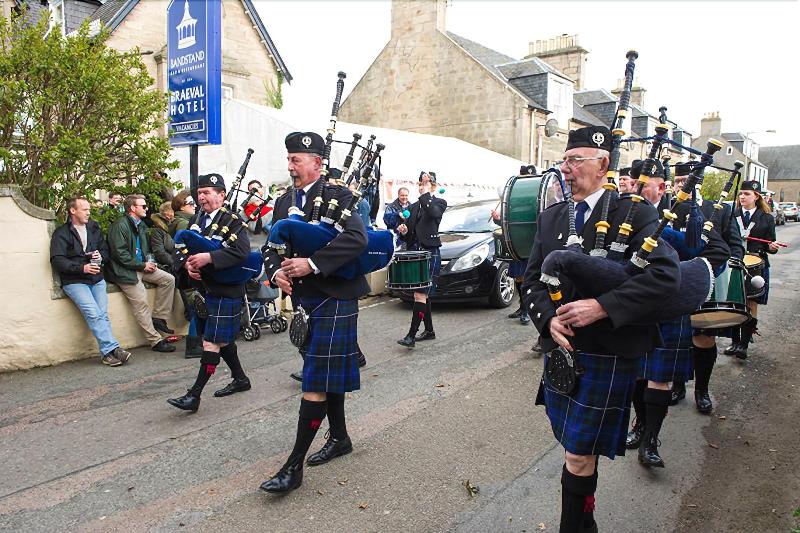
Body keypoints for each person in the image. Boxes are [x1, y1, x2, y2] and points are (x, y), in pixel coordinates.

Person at [522, 126, 680, 533]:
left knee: (578, 452)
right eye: (564, 161)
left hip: (608, 349)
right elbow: (532, 281)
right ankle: (583, 521)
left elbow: (664, 278)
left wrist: (601, 306)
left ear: (603, 164)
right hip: (564, 351)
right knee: (572, 446)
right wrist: (548, 318)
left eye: (575, 160)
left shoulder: (636, 212)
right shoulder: (551, 216)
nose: (566, 169)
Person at [259, 132, 369, 494]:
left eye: (297, 159)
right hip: (306, 303)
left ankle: (293, 469)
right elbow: (272, 245)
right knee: (324, 375)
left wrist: (312, 263)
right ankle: (340, 438)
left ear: (317, 163)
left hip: (335, 297)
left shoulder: (340, 196)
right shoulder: (283, 201)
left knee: (315, 381)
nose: (290, 166)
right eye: (289, 159)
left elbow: (357, 239)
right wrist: (275, 271)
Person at [625, 159, 729, 468]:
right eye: (634, 184)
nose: (636, 190)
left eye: (643, 185)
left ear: (661, 187)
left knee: (660, 378)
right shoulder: (623, 212)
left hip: (670, 304)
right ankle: (640, 424)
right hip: (633, 303)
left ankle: (650, 440)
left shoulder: (692, 212)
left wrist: (691, 279)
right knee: (637, 375)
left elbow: (717, 252)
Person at [167, 174, 254, 412]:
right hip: (205, 289)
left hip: (227, 289)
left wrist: (209, 258)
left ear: (222, 195)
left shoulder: (233, 221)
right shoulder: (197, 219)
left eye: (207, 192)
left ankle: (194, 395)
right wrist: (187, 265)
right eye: (200, 192)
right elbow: (179, 248)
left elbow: (242, 252)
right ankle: (240, 379)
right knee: (219, 338)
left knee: (212, 341)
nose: (201, 197)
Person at [668, 163, 745, 411]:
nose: (684, 185)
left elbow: (735, 246)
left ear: (699, 182)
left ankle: (702, 389)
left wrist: (729, 266)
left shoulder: (718, 210)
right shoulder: (668, 210)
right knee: (678, 337)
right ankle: (677, 386)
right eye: (679, 180)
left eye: (689, 180)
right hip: (673, 283)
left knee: (703, 337)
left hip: (709, 280)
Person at [50, 197, 132, 366]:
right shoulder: (61, 233)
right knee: (94, 313)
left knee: (101, 315)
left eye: (89, 209)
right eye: (84, 209)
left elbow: (105, 251)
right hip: (75, 281)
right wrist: (82, 268)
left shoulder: (93, 227)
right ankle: (113, 349)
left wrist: (100, 257)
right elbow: (57, 260)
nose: (89, 212)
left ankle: (108, 355)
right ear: (73, 211)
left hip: (97, 279)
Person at [107, 194, 176, 353]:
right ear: (132, 208)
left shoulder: (142, 226)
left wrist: (150, 263)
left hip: (141, 267)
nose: (146, 209)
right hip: (125, 271)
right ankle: (155, 341)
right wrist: (142, 265)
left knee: (168, 280)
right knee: (141, 302)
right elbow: (120, 254)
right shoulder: (120, 226)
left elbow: (145, 250)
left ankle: (158, 318)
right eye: (143, 206)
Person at [724, 180, 778, 359]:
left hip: (756, 264)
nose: (742, 197)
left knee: (751, 304)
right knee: (733, 301)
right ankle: (733, 341)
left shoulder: (767, 217)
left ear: (756, 196)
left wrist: (772, 247)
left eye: (746, 194)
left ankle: (743, 345)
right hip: (734, 261)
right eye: (741, 194)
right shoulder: (732, 214)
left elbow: (771, 243)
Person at [396, 171, 447, 348]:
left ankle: (411, 335)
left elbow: (432, 213)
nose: (421, 185)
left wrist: (426, 194)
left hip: (430, 252)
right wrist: (403, 232)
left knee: (420, 294)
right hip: (415, 254)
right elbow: (409, 235)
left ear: (433, 185)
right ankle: (430, 330)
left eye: (425, 183)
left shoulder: (439, 202)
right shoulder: (414, 206)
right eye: (420, 183)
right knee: (424, 295)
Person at [169, 190, 203, 358]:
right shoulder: (184, 224)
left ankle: (196, 342)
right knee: (197, 308)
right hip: (189, 273)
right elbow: (185, 249)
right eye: (191, 204)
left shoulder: (185, 221)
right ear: (181, 206)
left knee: (197, 308)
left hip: (186, 272)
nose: (194, 206)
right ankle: (193, 344)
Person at [149, 201, 175, 270]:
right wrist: (176, 262)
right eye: (174, 211)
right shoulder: (157, 229)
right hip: (164, 266)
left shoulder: (167, 227)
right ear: (167, 214)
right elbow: (159, 252)